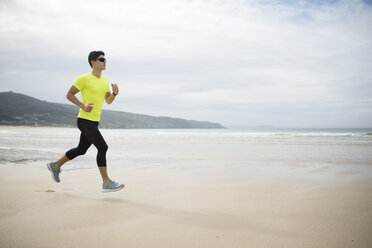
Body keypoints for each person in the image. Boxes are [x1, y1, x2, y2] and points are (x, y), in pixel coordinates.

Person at [47, 51, 124, 193]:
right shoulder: (84, 78)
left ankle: (56, 165)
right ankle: (106, 182)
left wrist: (114, 93)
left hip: (94, 121)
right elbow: (69, 94)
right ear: (93, 62)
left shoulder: (105, 81)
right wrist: (83, 106)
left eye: (105, 59)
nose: (105, 62)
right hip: (84, 120)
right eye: (102, 59)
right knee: (103, 147)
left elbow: (108, 101)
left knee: (81, 150)